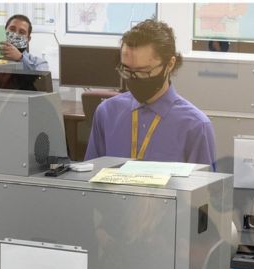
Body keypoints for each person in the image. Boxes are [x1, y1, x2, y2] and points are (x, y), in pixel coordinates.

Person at [84, 20, 216, 168]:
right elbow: (90, 174)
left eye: (143, 71)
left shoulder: (195, 126)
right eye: (127, 70)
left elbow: (204, 189)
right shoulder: (107, 113)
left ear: (170, 64)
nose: (134, 78)